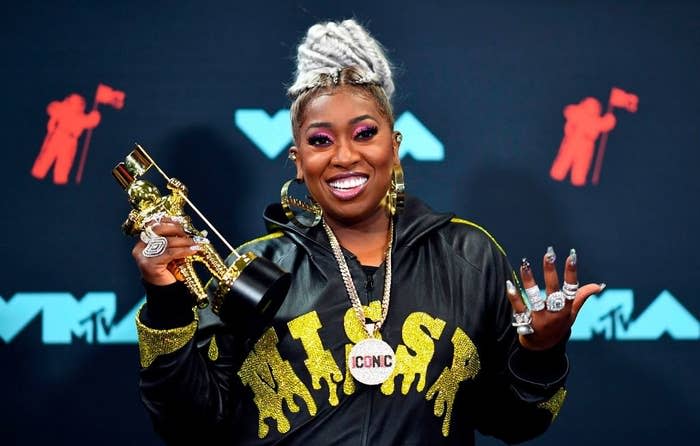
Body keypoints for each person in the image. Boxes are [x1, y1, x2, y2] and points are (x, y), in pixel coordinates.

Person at [132, 19, 604, 445]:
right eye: (320, 140)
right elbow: (185, 426)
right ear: (298, 161)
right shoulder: (251, 270)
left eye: (364, 133)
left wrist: (541, 353)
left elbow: (517, 424)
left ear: (395, 147)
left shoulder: (469, 256)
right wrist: (167, 303)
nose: (344, 156)